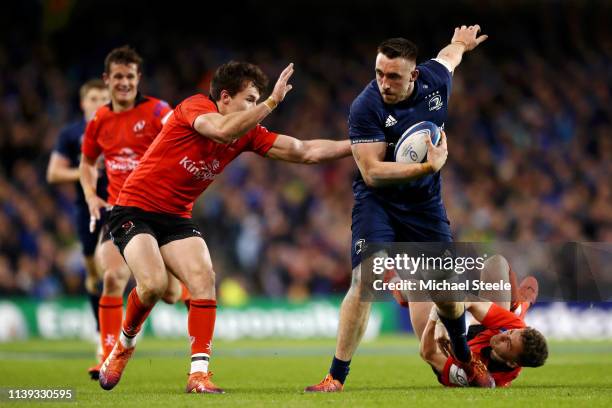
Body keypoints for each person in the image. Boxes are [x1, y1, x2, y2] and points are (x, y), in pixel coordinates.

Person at [98, 60, 352, 393]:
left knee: (204, 277)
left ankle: (198, 374)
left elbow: (304, 151)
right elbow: (220, 130)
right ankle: (124, 346)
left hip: (175, 216)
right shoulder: (195, 107)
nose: (255, 107)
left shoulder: (248, 134)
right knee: (154, 285)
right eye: (249, 99)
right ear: (225, 97)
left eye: (258, 100)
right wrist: (271, 102)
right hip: (134, 208)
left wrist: (356, 147)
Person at [306, 25, 489, 392]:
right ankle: (335, 377)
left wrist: (461, 44)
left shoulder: (436, 81)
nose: (384, 82)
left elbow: (449, 57)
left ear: (413, 75)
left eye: (393, 76)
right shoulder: (365, 107)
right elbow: (372, 173)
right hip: (379, 204)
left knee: (449, 297)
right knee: (364, 280)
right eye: (378, 73)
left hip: (424, 206)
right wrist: (427, 167)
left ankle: (466, 357)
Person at [79, 45, 184, 378]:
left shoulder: (158, 112)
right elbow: (85, 164)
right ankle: (108, 356)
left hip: (155, 211)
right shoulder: (100, 120)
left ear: (138, 78)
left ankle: (177, 289)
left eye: (130, 76)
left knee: (165, 292)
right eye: (118, 77)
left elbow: (183, 134)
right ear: (107, 80)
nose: (124, 83)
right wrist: (90, 196)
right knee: (111, 277)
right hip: (118, 212)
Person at [46, 79, 110, 379]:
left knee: (105, 264)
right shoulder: (71, 134)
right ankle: (102, 331)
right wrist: (84, 171)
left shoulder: (118, 129)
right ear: (83, 102)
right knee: (94, 275)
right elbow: (53, 173)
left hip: (116, 206)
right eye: (93, 97)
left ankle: (107, 342)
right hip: (84, 209)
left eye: (103, 97)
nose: (98, 102)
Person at [419, 298, 548, 387]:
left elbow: (428, 354)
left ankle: (399, 283)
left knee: (416, 289)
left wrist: (435, 316)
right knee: (496, 263)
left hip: (453, 357)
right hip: (480, 337)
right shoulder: (516, 327)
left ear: (512, 363)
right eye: (509, 332)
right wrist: (442, 321)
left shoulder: (483, 377)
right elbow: (468, 298)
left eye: (508, 344)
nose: (501, 335)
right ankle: (517, 306)